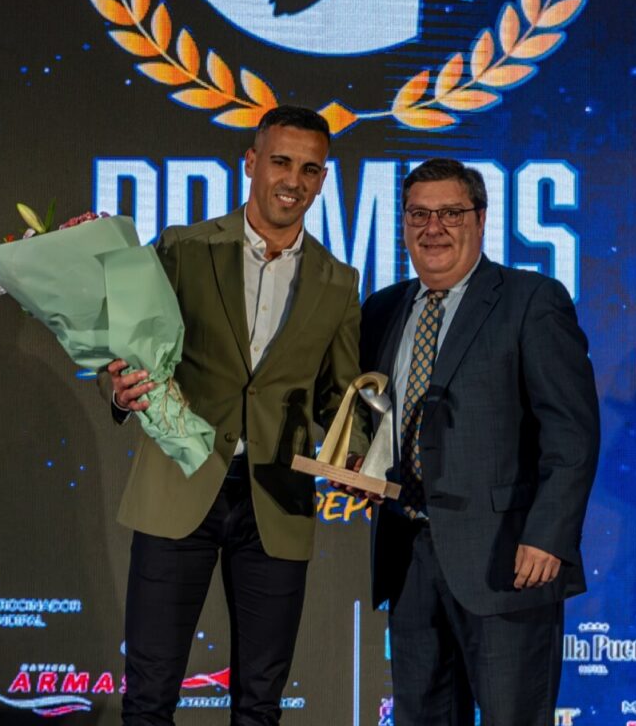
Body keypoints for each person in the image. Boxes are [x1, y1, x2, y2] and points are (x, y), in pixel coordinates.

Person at [103, 105, 367, 726]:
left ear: (323, 180)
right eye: (280, 161)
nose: (293, 181)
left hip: (276, 502)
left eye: (310, 169)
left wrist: (359, 450)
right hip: (179, 487)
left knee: (260, 704)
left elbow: (342, 394)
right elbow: (128, 352)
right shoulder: (182, 248)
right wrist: (118, 391)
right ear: (250, 163)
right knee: (148, 697)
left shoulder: (338, 280)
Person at [360, 157, 600, 726]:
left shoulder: (531, 299)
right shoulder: (383, 309)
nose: (433, 227)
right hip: (410, 557)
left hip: (509, 561)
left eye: (450, 213)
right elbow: (372, 415)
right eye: (419, 214)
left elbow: (572, 432)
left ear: (480, 218)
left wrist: (549, 537)